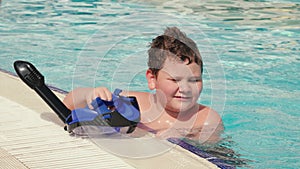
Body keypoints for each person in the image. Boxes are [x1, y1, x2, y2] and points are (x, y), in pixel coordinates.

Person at [63, 27, 224, 143]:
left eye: (194, 80)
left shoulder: (206, 118)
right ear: (152, 79)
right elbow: (67, 104)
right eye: (175, 80)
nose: (186, 88)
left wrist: (185, 137)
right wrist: (88, 95)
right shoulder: (132, 103)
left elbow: (211, 154)